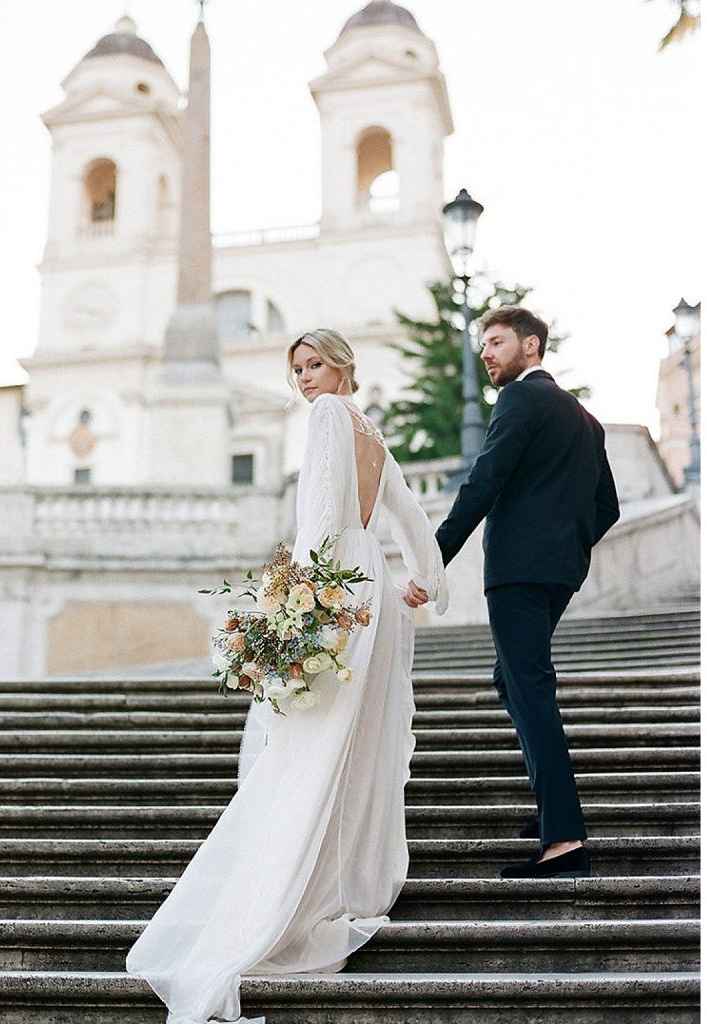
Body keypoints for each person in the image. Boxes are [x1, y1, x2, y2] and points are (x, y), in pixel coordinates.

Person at [126, 328, 448, 1024]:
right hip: (377, 596)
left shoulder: (331, 415)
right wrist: (428, 581)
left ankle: (294, 894)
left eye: (314, 365)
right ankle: (347, 883)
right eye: (297, 368)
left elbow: (322, 511)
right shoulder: (373, 430)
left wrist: (296, 595)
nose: (304, 378)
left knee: (314, 747)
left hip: (338, 591)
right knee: (352, 749)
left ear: (341, 368)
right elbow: (411, 514)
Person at [427, 305, 620, 879]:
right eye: (482, 344)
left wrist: (432, 560)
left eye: (496, 341)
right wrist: (567, 546)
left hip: (516, 569)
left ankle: (563, 840)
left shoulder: (518, 399)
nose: (485, 353)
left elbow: (483, 482)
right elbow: (606, 507)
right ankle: (550, 812)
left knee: (529, 688)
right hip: (559, 570)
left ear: (531, 346)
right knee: (512, 680)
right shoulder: (584, 417)